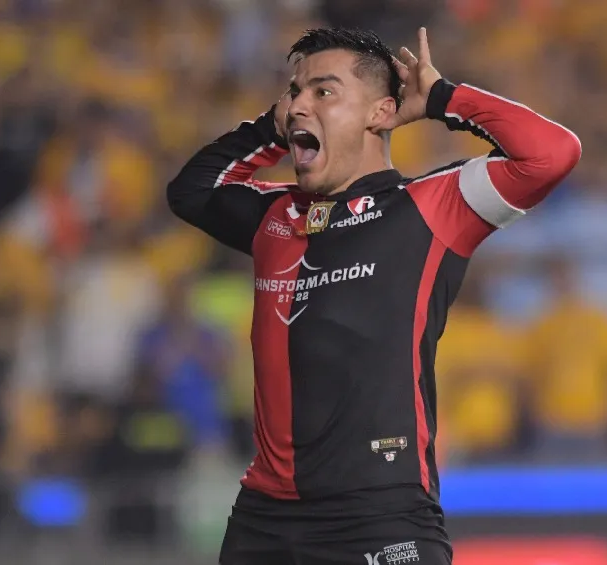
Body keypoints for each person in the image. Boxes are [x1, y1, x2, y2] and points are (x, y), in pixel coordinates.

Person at [168, 26, 581, 565]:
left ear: (381, 113)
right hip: (265, 520)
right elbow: (191, 191)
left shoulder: (430, 207)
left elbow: (552, 154)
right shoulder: (277, 215)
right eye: (294, 91)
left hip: (379, 515)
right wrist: (270, 128)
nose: (298, 105)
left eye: (324, 91)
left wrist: (443, 98)